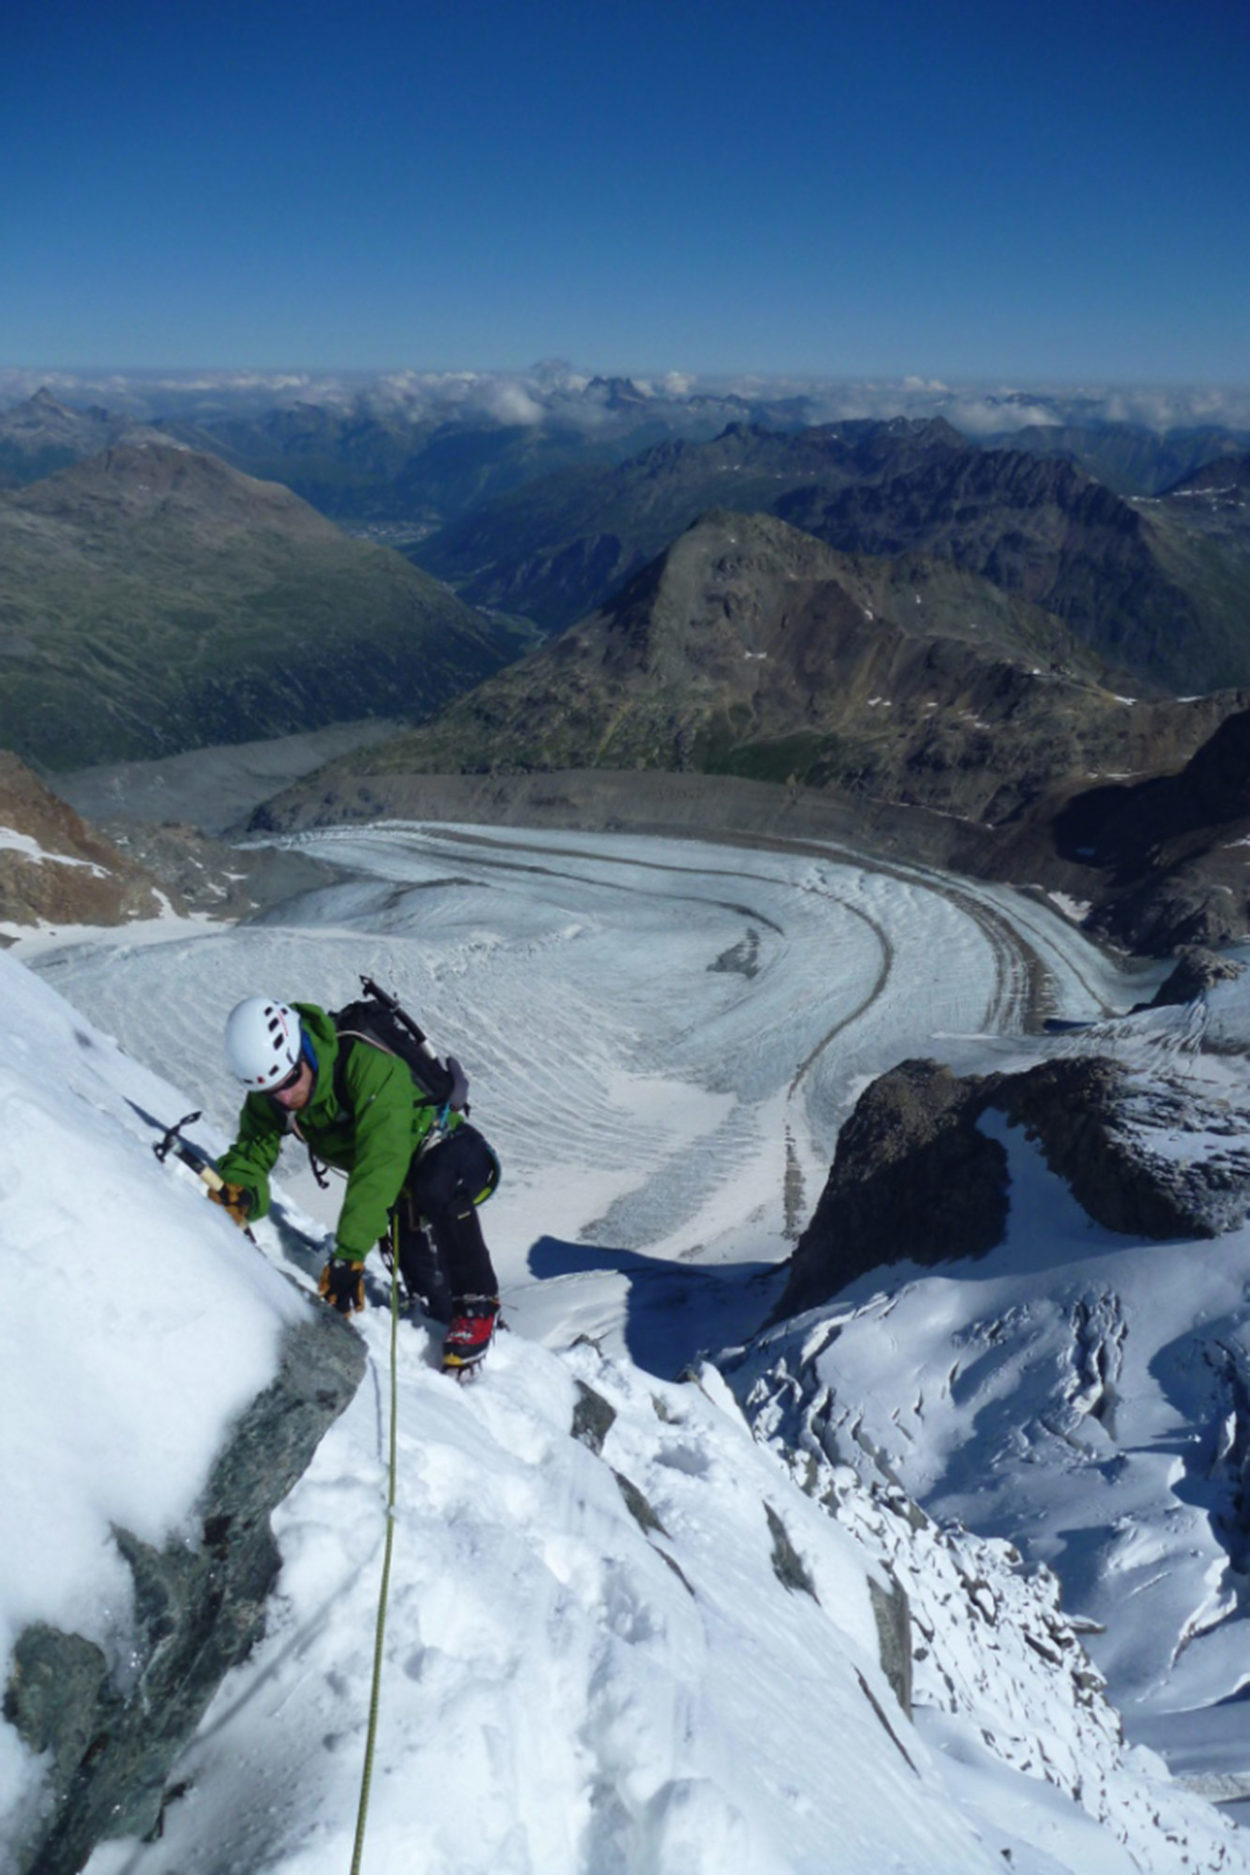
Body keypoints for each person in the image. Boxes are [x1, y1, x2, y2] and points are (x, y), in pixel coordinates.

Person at [212, 996, 501, 1373]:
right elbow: (253, 1147)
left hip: (454, 1153)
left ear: (304, 1051)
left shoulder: (366, 1065)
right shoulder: (276, 1089)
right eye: (272, 1092)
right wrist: (241, 1190)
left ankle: (478, 1304)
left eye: (290, 1081)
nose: (285, 1097)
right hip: (401, 1189)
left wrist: (350, 1254)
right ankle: (458, 1330)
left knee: (435, 1183)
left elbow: (380, 1163)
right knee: (426, 1282)